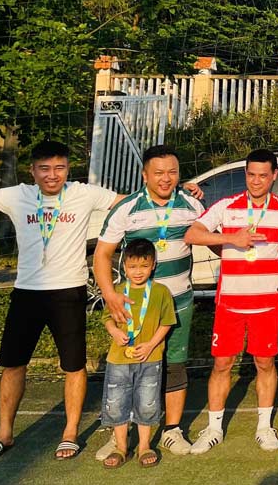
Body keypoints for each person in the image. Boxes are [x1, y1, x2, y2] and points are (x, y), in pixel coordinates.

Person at [0, 140, 122, 461]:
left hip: (69, 292)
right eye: (45, 169)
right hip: (26, 294)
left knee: (74, 366)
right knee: (12, 364)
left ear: (68, 170)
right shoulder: (16, 195)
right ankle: (4, 433)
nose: (52, 176)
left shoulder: (84, 193)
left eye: (59, 168)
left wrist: (181, 190)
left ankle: (70, 433)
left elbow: (128, 202)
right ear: (32, 171)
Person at [183, 149, 278, 453]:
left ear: (274, 176)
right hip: (230, 303)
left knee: (265, 362)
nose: (256, 181)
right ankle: (213, 428)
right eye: (251, 174)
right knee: (222, 364)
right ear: (245, 174)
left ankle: (264, 427)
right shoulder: (226, 207)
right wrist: (230, 239)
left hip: (267, 302)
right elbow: (192, 234)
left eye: (263, 175)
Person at [95, 144, 206, 456]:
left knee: (175, 365)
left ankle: (172, 430)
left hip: (179, 301)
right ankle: (120, 435)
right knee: (128, 368)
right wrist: (111, 296)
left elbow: (213, 238)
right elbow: (102, 255)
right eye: (158, 173)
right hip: (132, 305)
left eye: (172, 172)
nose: (166, 179)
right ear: (145, 175)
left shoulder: (192, 205)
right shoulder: (126, 209)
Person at [100, 238, 177, 469]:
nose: (138, 272)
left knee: (147, 403)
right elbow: (106, 318)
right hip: (118, 360)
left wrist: (151, 345)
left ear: (153, 264)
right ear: (124, 266)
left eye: (144, 266)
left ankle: (144, 446)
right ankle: (121, 446)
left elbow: (167, 322)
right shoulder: (116, 291)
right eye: (132, 267)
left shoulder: (161, 292)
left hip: (150, 358)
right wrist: (114, 332)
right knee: (116, 403)